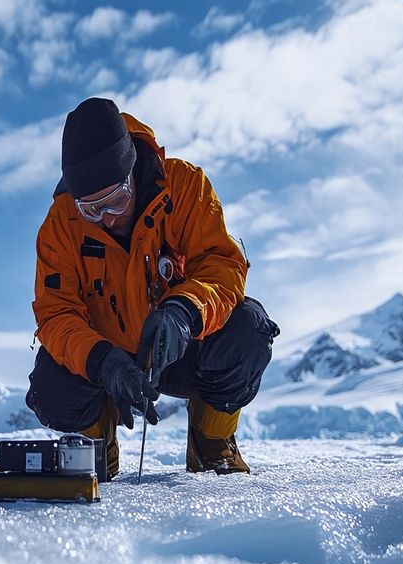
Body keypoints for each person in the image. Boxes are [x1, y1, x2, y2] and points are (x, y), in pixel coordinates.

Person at [26, 98, 279, 479]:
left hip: (179, 349)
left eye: (115, 202)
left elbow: (222, 266)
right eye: (90, 210)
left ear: (132, 173)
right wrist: (102, 361)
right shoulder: (60, 226)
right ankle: (96, 454)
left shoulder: (186, 187)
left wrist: (184, 314)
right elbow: (56, 314)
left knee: (247, 330)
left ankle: (212, 447)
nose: (106, 219)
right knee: (51, 384)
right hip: (109, 363)